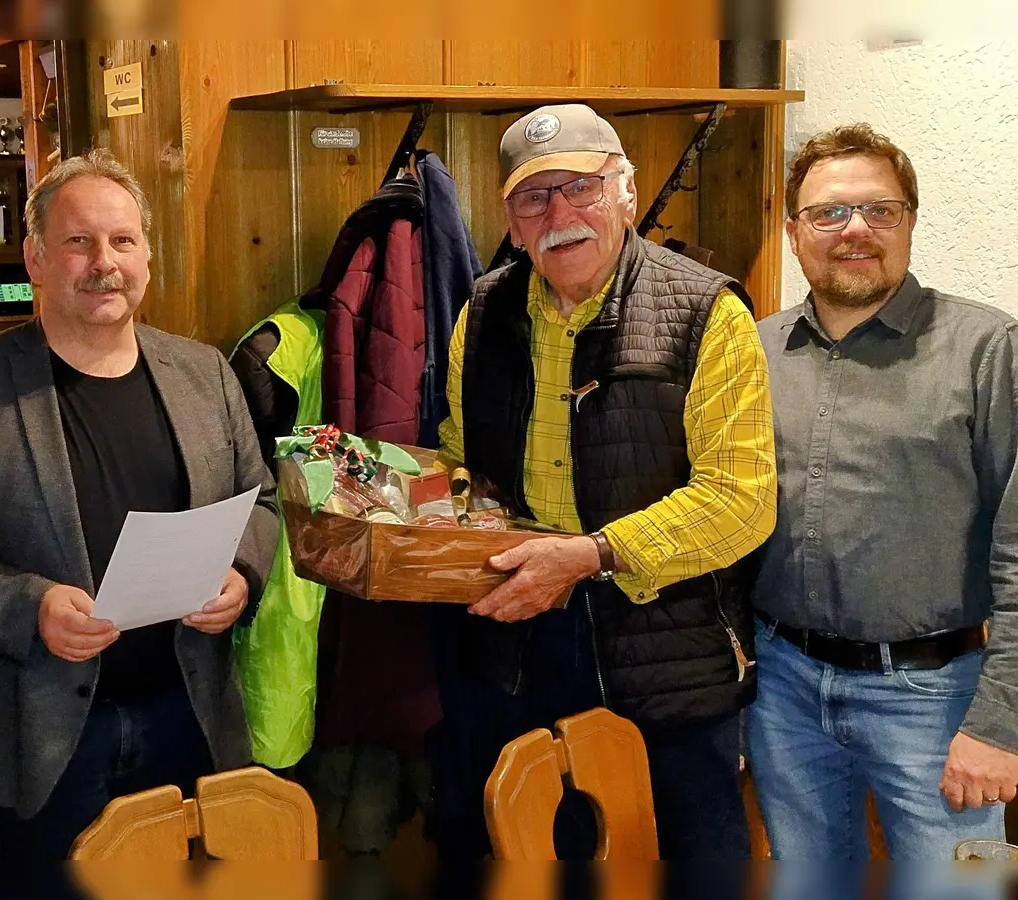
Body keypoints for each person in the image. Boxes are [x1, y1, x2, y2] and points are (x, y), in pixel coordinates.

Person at [0, 148, 277, 864]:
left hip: (186, 708)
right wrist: (29, 608)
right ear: (35, 258)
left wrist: (242, 574)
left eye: (123, 240)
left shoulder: (205, 371)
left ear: (147, 255)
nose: (104, 262)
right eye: (78, 241)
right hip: (38, 726)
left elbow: (261, 502)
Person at [429, 103, 777, 867]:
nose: (559, 214)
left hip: (666, 665)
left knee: (686, 870)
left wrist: (590, 556)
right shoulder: (481, 316)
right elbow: (460, 461)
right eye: (534, 197)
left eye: (581, 188)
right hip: (515, 650)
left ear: (627, 190)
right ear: (512, 222)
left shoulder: (707, 313)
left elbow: (740, 501)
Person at [751, 123, 1018, 859]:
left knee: (966, 888)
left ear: (909, 223)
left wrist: (1002, 725)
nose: (855, 230)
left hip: (939, 698)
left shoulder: (988, 349)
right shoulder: (756, 350)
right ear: (794, 231)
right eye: (829, 213)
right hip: (783, 690)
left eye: (880, 210)